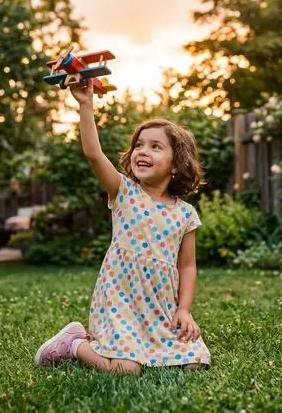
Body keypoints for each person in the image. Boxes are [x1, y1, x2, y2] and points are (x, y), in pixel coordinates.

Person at [34, 78, 210, 375]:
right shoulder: (124, 192)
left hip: (158, 309)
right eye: (139, 145)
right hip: (121, 303)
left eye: (156, 147)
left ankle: (149, 346)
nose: (143, 151)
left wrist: (183, 309)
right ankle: (75, 344)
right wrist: (86, 105)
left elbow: (188, 266)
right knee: (128, 370)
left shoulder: (185, 215)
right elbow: (93, 154)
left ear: (176, 164)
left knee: (194, 362)